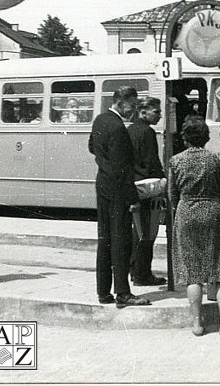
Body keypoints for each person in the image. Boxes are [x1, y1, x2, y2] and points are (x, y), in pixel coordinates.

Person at [169, 116, 220, 336]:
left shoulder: (176, 161)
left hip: (186, 212)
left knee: (192, 272)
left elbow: (173, 195)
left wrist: (184, 205)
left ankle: (197, 324)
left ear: (184, 138)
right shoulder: (216, 158)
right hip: (212, 211)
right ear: (206, 137)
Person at [88, 86, 150, 308]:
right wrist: (133, 198)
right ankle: (123, 293)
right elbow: (122, 170)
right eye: (132, 106)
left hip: (103, 186)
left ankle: (103, 292)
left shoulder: (100, 120)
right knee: (121, 242)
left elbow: (91, 147)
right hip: (117, 191)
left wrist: (103, 163)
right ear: (120, 102)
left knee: (104, 240)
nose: (134, 111)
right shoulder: (118, 129)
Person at [126, 97, 166, 286]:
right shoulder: (147, 132)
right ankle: (143, 274)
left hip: (133, 186)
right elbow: (152, 161)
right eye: (156, 112)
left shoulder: (130, 130)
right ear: (143, 112)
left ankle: (135, 270)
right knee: (148, 232)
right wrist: (162, 182)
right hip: (147, 188)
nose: (160, 115)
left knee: (137, 232)